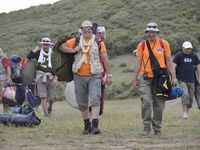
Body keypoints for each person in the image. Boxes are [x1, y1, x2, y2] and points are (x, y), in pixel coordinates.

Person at [59, 20, 112, 135]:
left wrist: (109, 74)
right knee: (82, 102)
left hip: (95, 75)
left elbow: (105, 58)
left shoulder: (99, 42)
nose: (87, 30)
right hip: (78, 75)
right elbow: (62, 47)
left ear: (92, 30)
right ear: (81, 30)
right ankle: (86, 125)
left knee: (95, 98)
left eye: (89, 28)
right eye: (84, 29)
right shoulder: (76, 40)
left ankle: (95, 126)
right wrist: (73, 50)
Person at [133, 22, 178, 136]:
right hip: (145, 78)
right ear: (147, 32)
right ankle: (146, 128)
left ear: (157, 32)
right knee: (146, 101)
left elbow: (169, 61)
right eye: (149, 32)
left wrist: (174, 77)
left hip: (161, 79)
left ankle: (157, 129)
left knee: (159, 104)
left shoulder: (164, 44)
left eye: (153, 32)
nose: (151, 34)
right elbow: (138, 63)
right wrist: (134, 79)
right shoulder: (142, 45)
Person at [27, 37, 57, 117]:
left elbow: (57, 66)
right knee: (43, 96)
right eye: (44, 44)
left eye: (47, 44)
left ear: (49, 45)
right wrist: (37, 48)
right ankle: (46, 114)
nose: (45, 46)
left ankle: (50, 107)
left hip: (51, 76)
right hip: (40, 75)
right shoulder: (38, 52)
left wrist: (56, 77)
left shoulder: (53, 53)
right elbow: (29, 57)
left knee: (51, 98)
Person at [173, 41, 200, 119]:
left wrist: (199, 78)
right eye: (187, 48)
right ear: (183, 48)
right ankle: (184, 113)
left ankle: (186, 113)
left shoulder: (194, 56)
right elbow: (173, 66)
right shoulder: (179, 55)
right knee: (185, 94)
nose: (188, 50)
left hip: (192, 80)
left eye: (189, 48)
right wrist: (174, 78)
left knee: (191, 98)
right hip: (181, 79)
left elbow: (198, 67)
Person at [0, 48, 12, 112]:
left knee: (5, 94)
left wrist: (8, 79)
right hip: (1, 78)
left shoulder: (4, 58)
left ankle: (6, 109)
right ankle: (6, 110)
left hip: (4, 78)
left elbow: (8, 69)